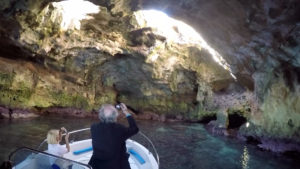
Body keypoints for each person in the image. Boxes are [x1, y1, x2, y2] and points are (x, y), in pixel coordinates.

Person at [88, 103, 139, 169]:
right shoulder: (120, 129)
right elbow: (135, 129)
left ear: (100, 116)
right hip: (116, 165)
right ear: (115, 116)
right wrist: (126, 111)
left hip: (97, 164)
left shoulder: (93, 127)